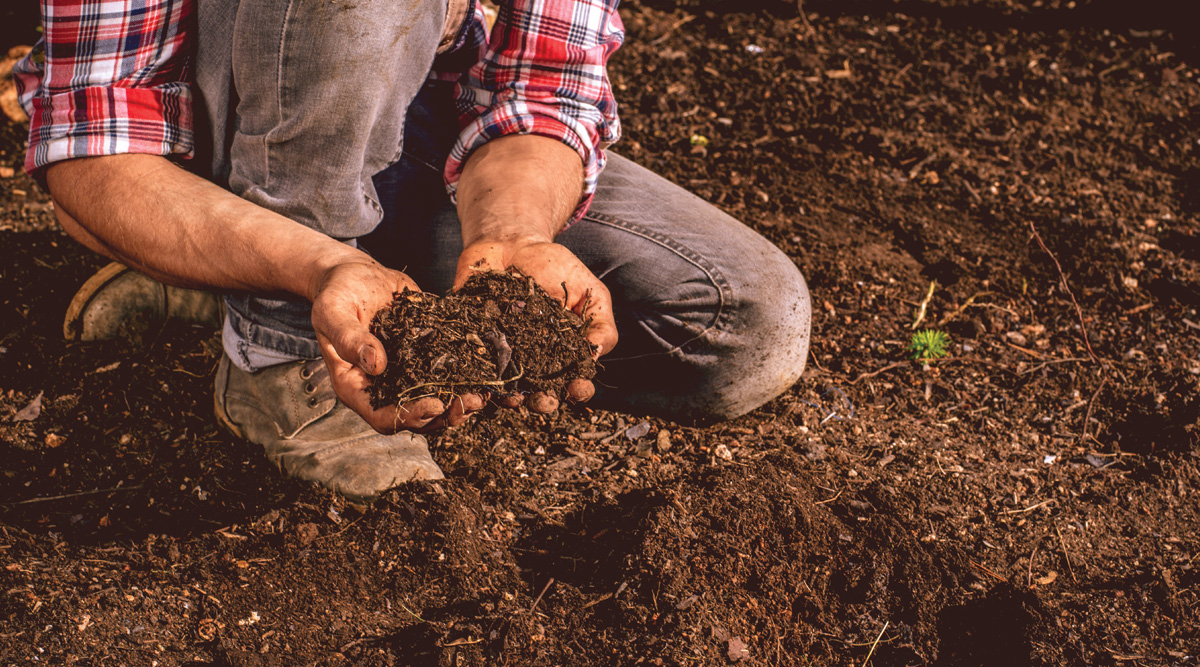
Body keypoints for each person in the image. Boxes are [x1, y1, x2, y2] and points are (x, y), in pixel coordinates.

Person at [14, 0, 811, 500]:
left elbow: (547, 82)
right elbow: (91, 149)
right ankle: (275, 347)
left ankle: (249, 280)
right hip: (211, 141)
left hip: (417, 124)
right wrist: (315, 262)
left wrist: (513, 232)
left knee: (739, 322)